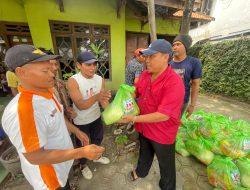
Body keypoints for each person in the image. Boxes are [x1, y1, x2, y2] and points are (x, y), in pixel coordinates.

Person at [1, 44, 104, 190]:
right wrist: (81, 152)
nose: (52, 74)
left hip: (61, 169)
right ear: (21, 72)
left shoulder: (47, 92)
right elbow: (34, 156)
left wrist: (75, 131)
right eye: (45, 70)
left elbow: (58, 116)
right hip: (48, 180)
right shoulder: (22, 111)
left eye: (51, 68)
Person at [119, 39, 185, 190]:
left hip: (163, 133)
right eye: (146, 57)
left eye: (152, 56)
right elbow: (136, 91)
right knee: (145, 152)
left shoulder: (174, 82)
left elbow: (163, 115)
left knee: (166, 163)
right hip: (144, 127)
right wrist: (123, 97)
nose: (147, 60)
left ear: (165, 57)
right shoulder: (145, 75)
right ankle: (141, 172)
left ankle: (167, 186)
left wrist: (133, 118)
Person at [68, 51, 111, 180]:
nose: (93, 68)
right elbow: (80, 105)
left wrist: (112, 113)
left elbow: (103, 100)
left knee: (98, 138)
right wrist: (96, 97)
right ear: (78, 65)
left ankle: (97, 157)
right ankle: (83, 165)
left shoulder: (100, 79)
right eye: (88, 65)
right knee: (83, 145)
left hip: (96, 116)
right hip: (81, 121)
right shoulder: (73, 81)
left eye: (94, 64)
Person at [170, 34, 202, 118]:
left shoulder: (194, 62)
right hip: (166, 100)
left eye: (178, 44)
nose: (175, 47)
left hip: (182, 102)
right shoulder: (168, 63)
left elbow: (195, 84)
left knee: (175, 123)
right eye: (173, 45)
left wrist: (192, 105)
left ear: (185, 47)